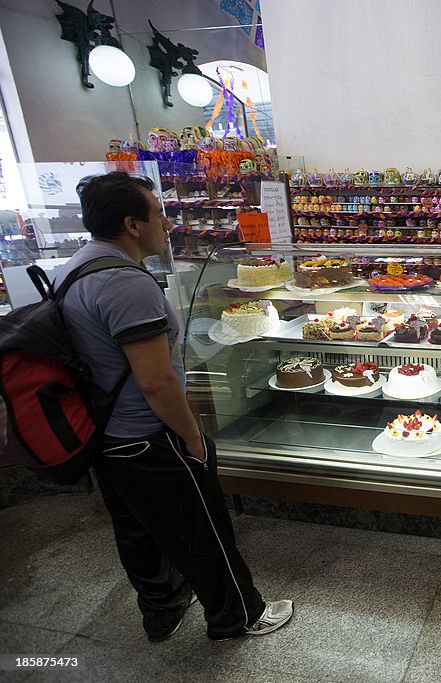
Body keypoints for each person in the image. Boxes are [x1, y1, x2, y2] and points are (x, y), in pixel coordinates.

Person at [54, 172, 292, 642]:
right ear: (132, 224)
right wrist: (191, 438)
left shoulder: (74, 267)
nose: (166, 223)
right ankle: (238, 615)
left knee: (137, 529)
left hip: (105, 432)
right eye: (157, 213)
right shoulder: (126, 284)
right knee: (202, 527)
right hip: (149, 434)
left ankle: (162, 610)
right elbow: (157, 381)